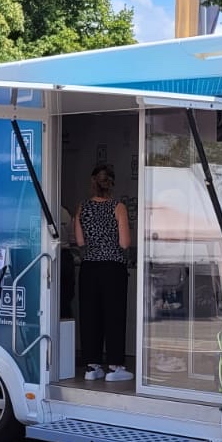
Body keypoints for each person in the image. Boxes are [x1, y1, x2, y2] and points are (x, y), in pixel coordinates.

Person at [74, 163, 133, 382]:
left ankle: (92, 366)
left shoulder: (82, 207)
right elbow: (125, 243)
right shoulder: (118, 207)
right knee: (114, 316)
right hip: (113, 268)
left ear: (93, 183)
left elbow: (79, 241)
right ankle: (115, 366)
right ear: (112, 184)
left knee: (90, 316)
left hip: (89, 267)